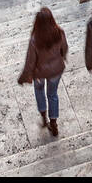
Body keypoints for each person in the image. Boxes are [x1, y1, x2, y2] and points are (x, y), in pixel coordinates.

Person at [18, 7, 68, 136]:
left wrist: (24, 76)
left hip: (39, 73)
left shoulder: (35, 39)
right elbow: (65, 48)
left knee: (39, 91)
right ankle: (54, 122)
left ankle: (44, 118)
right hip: (56, 71)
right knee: (52, 95)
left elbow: (30, 61)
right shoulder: (59, 32)